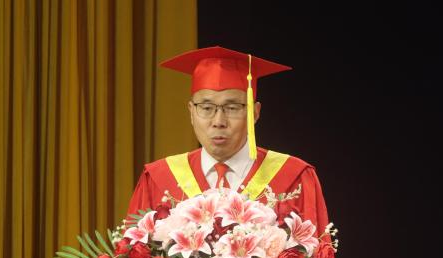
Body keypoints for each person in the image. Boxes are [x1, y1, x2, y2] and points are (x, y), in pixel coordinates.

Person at [127, 46, 330, 236]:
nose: (218, 121)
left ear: (255, 112)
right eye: (206, 108)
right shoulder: (158, 179)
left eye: (232, 108)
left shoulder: (293, 178)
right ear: (191, 112)